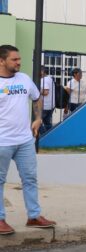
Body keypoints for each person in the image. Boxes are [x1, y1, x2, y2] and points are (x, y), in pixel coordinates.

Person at [0, 45, 56, 235]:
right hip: (2, 141)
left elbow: (37, 97)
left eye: (19, 59)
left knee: (30, 178)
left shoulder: (24, 79)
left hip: (24, 140)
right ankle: (0, 220)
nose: (19, 62)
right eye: (14, 59)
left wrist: (38, 119)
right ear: (1, 61)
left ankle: (34, 216)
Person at [39, 66, 55, 134]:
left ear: (42, 71)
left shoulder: (43, 80)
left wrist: (37, 90)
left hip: (44, 106)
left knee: (37, 122)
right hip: (51, 105)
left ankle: (43, 136)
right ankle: (49, 137)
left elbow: (46, 92)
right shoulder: (50, 79)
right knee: (47, 123)